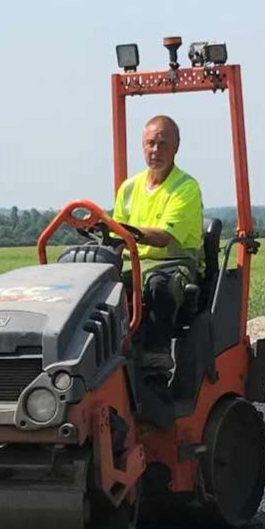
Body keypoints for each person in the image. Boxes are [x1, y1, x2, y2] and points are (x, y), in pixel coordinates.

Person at [112, 115, 204, 374]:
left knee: (157, 285)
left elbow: (164, 237)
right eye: (150, 143)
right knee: (99, 284)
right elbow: (116, 235)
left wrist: (126, 232)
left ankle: (156, 355)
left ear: (176, 147)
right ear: (143, 146)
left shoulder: (185, 188)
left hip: (174, 264)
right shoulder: (129, 188)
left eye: (163, 144)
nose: (156, 150)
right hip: (137, 262)